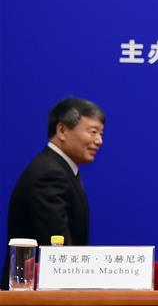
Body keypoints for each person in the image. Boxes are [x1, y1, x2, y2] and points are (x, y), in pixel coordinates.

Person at [4, 98, 105, 288]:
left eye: (101, 133)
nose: (99, 140)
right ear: (62, 130)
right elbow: (57, 253)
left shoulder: (60, 169)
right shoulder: (50, 174)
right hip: (36, 300)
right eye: (92, 132)